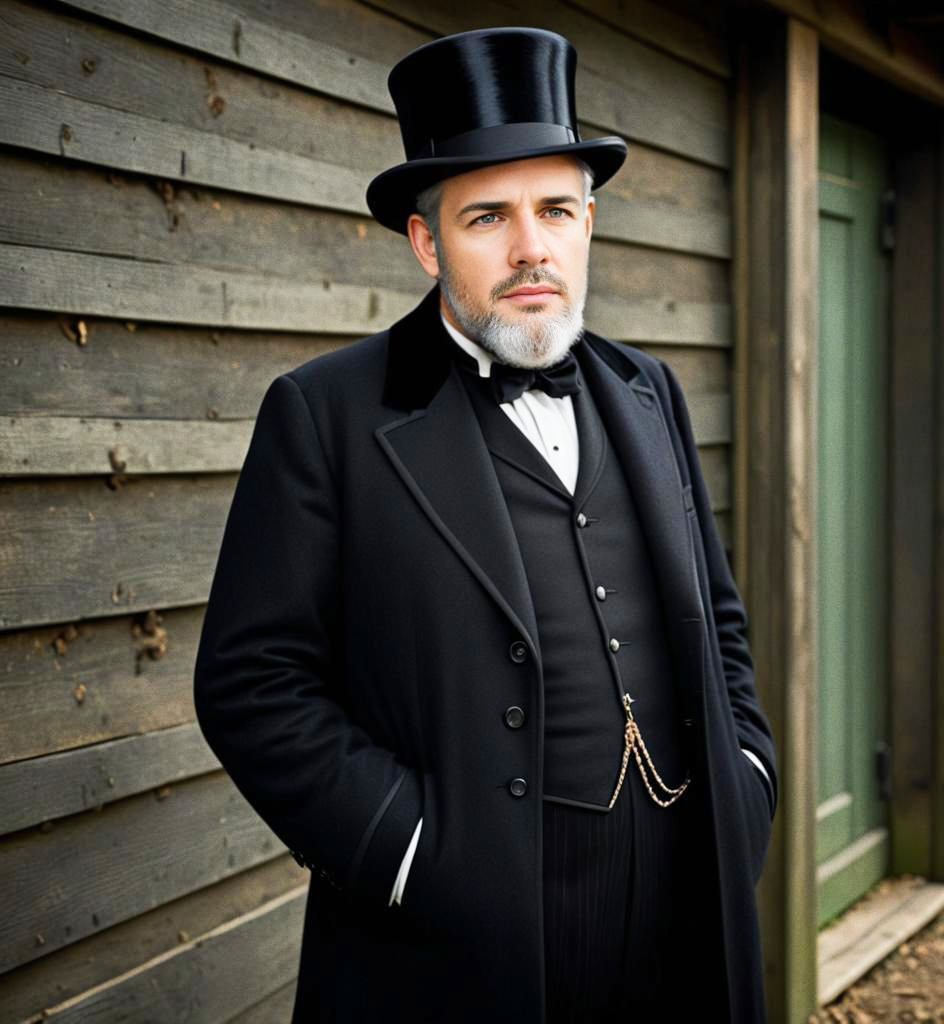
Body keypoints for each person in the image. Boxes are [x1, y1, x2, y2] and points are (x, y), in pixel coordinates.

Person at [193, 26, 778, 1024]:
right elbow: (249, 684)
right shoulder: (327, 413)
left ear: (588, 220)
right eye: (487, 217)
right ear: (427, 241)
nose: (530, 247)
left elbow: (718, 620)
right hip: (457, 952)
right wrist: (408, 847)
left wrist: (750, 774)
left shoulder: (651, 392)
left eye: (555, 208)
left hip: (686, 928)